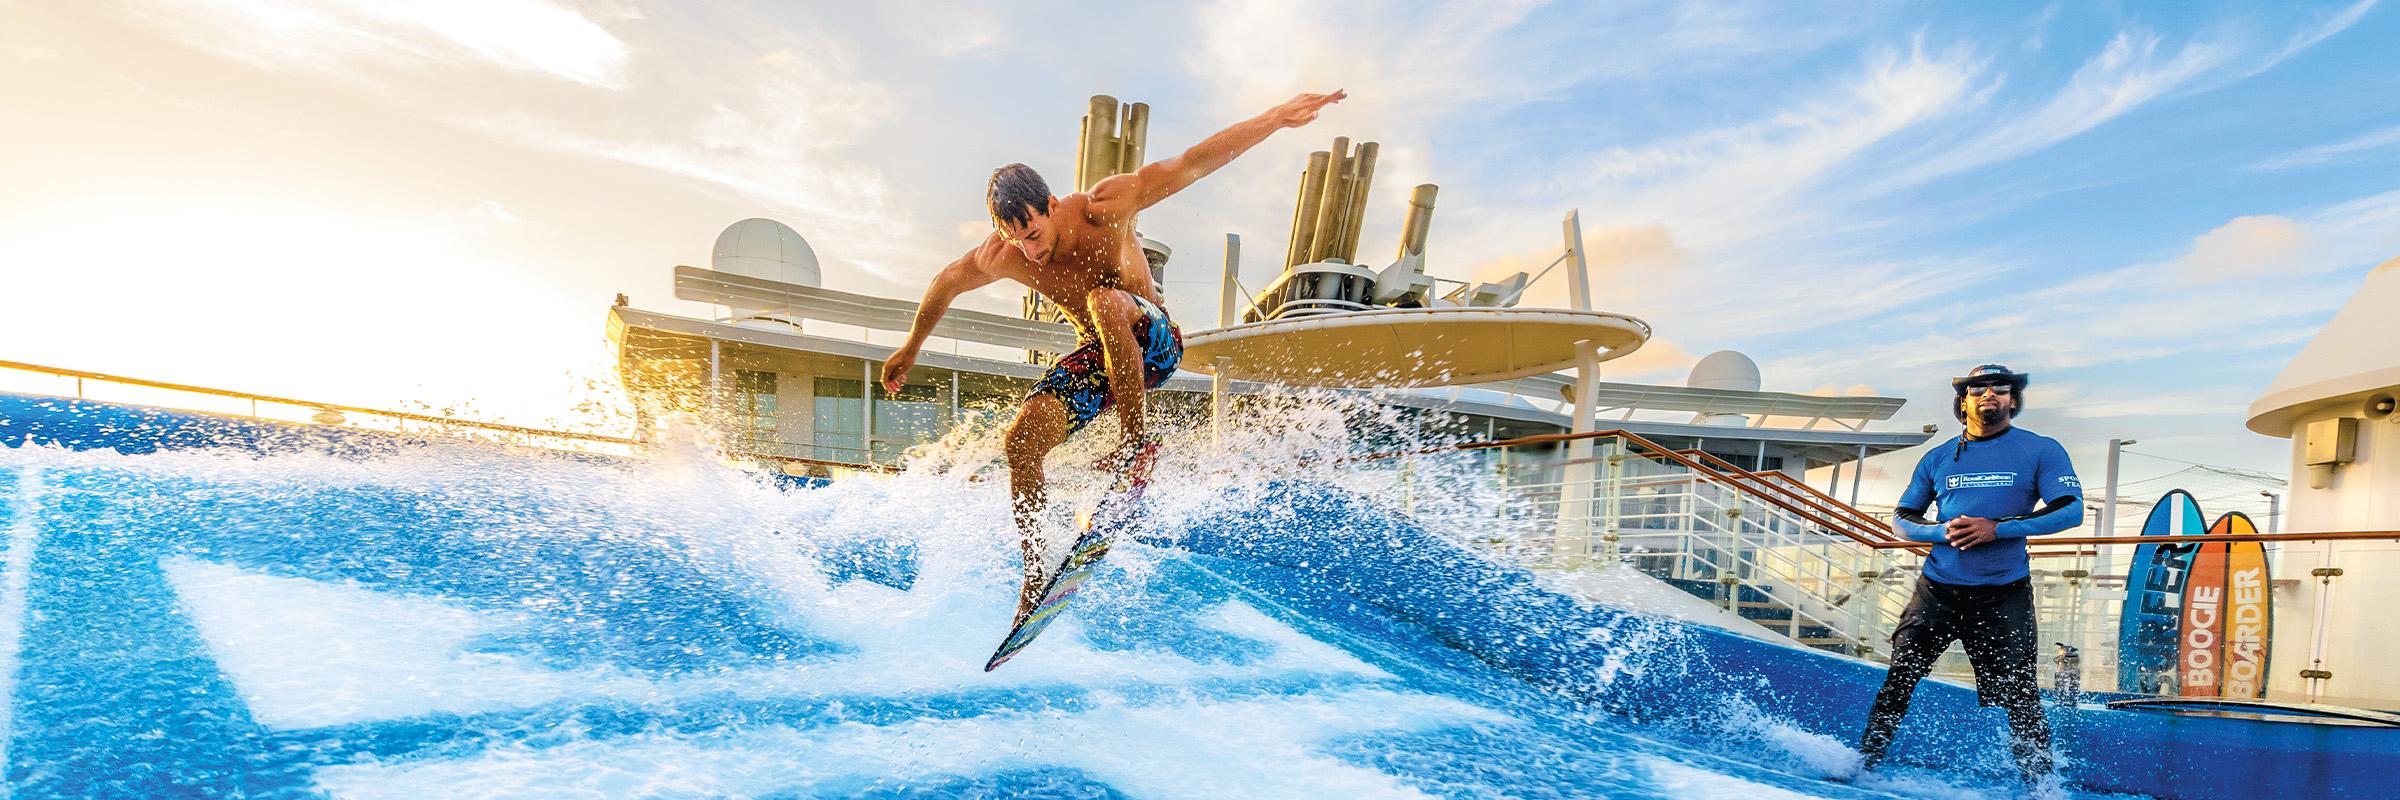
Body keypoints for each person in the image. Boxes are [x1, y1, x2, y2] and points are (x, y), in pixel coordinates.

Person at [881, 89, 1347, 625]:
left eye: (1034, 233)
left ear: (1052, 205)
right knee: (1021, 443)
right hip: (1100, 357)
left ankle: (1135, 446)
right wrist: (910, 348)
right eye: (1015, 239)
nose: (1029, 250)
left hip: (1156, 341)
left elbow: (1195, 161)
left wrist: (1273, 119)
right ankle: (1036, 576)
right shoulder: (1003, 253)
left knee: (1104, 302)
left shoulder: (1107, 206)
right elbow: (945, 283)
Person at [1855, 364, 2083, 781]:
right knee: (1899, 679)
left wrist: (1999, 528)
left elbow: (2071, 510)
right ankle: (1861, 766)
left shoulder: (2041, 449)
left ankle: (2043, 789)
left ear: (2013, 400)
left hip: (2003, 593)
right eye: (1978, 389)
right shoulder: (1939, 456)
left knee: (2020, 696)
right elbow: (1903, 517)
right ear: (1964, 401)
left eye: (2000, 389)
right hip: (1937, 590)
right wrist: (1941, 532)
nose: (1989, 395)